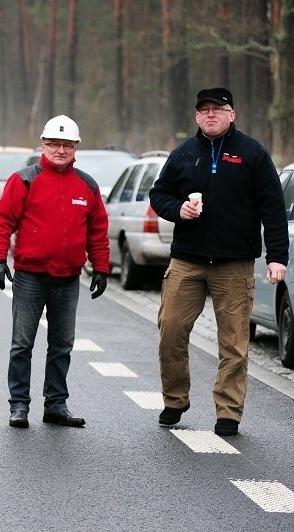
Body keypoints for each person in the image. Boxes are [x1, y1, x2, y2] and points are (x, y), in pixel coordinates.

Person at [148, 87, 288, 436]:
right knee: (171, 331)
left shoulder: (252, 153)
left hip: (235, 263)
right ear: (196, 116)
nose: (211, 114)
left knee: (234, 343)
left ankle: (228, 412)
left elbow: (273, 208)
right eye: (204, 110)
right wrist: (178, 209)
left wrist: (277, 258)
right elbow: (159, 194)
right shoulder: (183, 153)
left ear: (232, 115)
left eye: (218, 109)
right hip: (187, 261)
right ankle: (175, 399)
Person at [0, 114, 110, 429]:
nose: (60, 150)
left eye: (66, 145)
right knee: (22, 343)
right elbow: (2, 220)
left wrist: (101, 268)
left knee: (62, 345)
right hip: (30, 276)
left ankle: (56, 404)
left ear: (75, 148)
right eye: (54, 144)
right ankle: (19, 405)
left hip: (68, 279)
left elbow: (98, 230)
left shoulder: (87, 185)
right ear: (43, 145)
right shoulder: (24, 179)